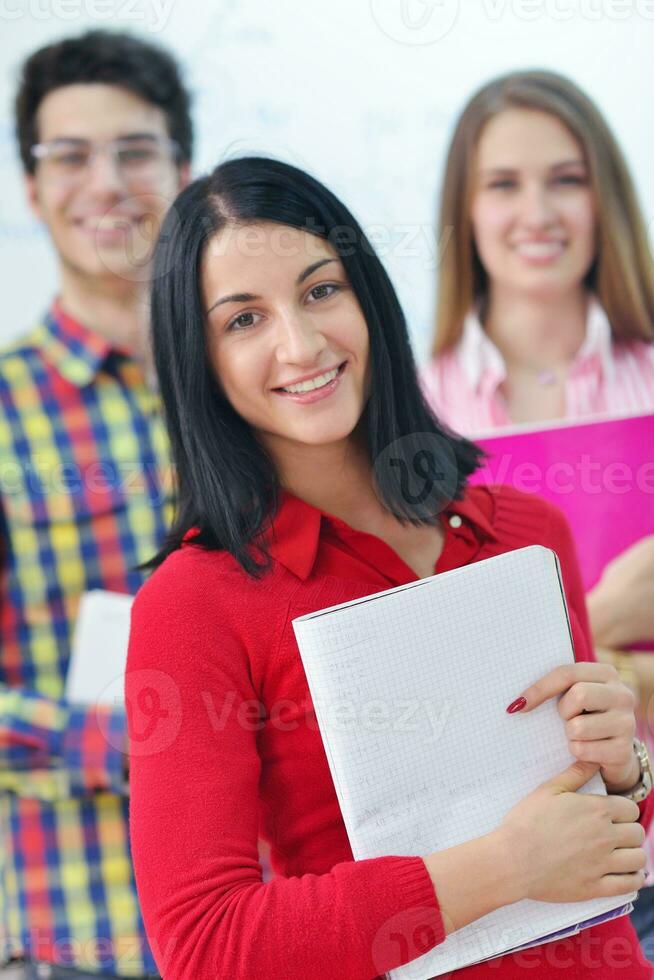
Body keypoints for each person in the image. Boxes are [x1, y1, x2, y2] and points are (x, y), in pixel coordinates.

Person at [125, 156, 653, 979]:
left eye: (319, 291)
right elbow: (203, 945)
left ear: (366, 295)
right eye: (243, 321)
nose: (300, 344)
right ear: (201, 361)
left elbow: (612, 852)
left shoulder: (526, 532)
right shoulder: (194, 604)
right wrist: (500, 870)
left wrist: (625, 768)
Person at [420, 69, 654, 949]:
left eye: (566, 179)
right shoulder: (409, 413)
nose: (538, 213)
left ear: (606, 197)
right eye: (503, 184)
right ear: (465, 210)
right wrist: (604, 619)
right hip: (517, 880)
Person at [0, 29, 191, 979]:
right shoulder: (3, 411)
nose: (106, 182)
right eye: (69, 156)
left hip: (288, 903)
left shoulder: (272, 384)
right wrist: (139, 742)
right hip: (90, 922)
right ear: (32, 190)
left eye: (136, 150)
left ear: (183, 170)